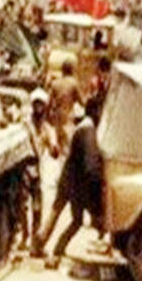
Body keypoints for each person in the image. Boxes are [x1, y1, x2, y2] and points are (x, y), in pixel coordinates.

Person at [38, 105, 105, 267]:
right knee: (75, 220)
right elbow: (90, 166)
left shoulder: (84, 129)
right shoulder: (89, 131)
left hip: (69, 180)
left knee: (56, 213)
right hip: (75, 184)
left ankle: (39, 244)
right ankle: (56, 250)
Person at [24, 89, 61, 257]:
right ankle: (23, 237)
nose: (38, 108)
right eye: (36, 104)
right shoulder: (26, 124)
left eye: (41, 105)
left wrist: (54, 148)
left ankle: (34, 241)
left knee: (37, 208)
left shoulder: (47, 128)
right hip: (23, 168)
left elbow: (54, 150)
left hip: (37, 169)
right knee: (21, 207)